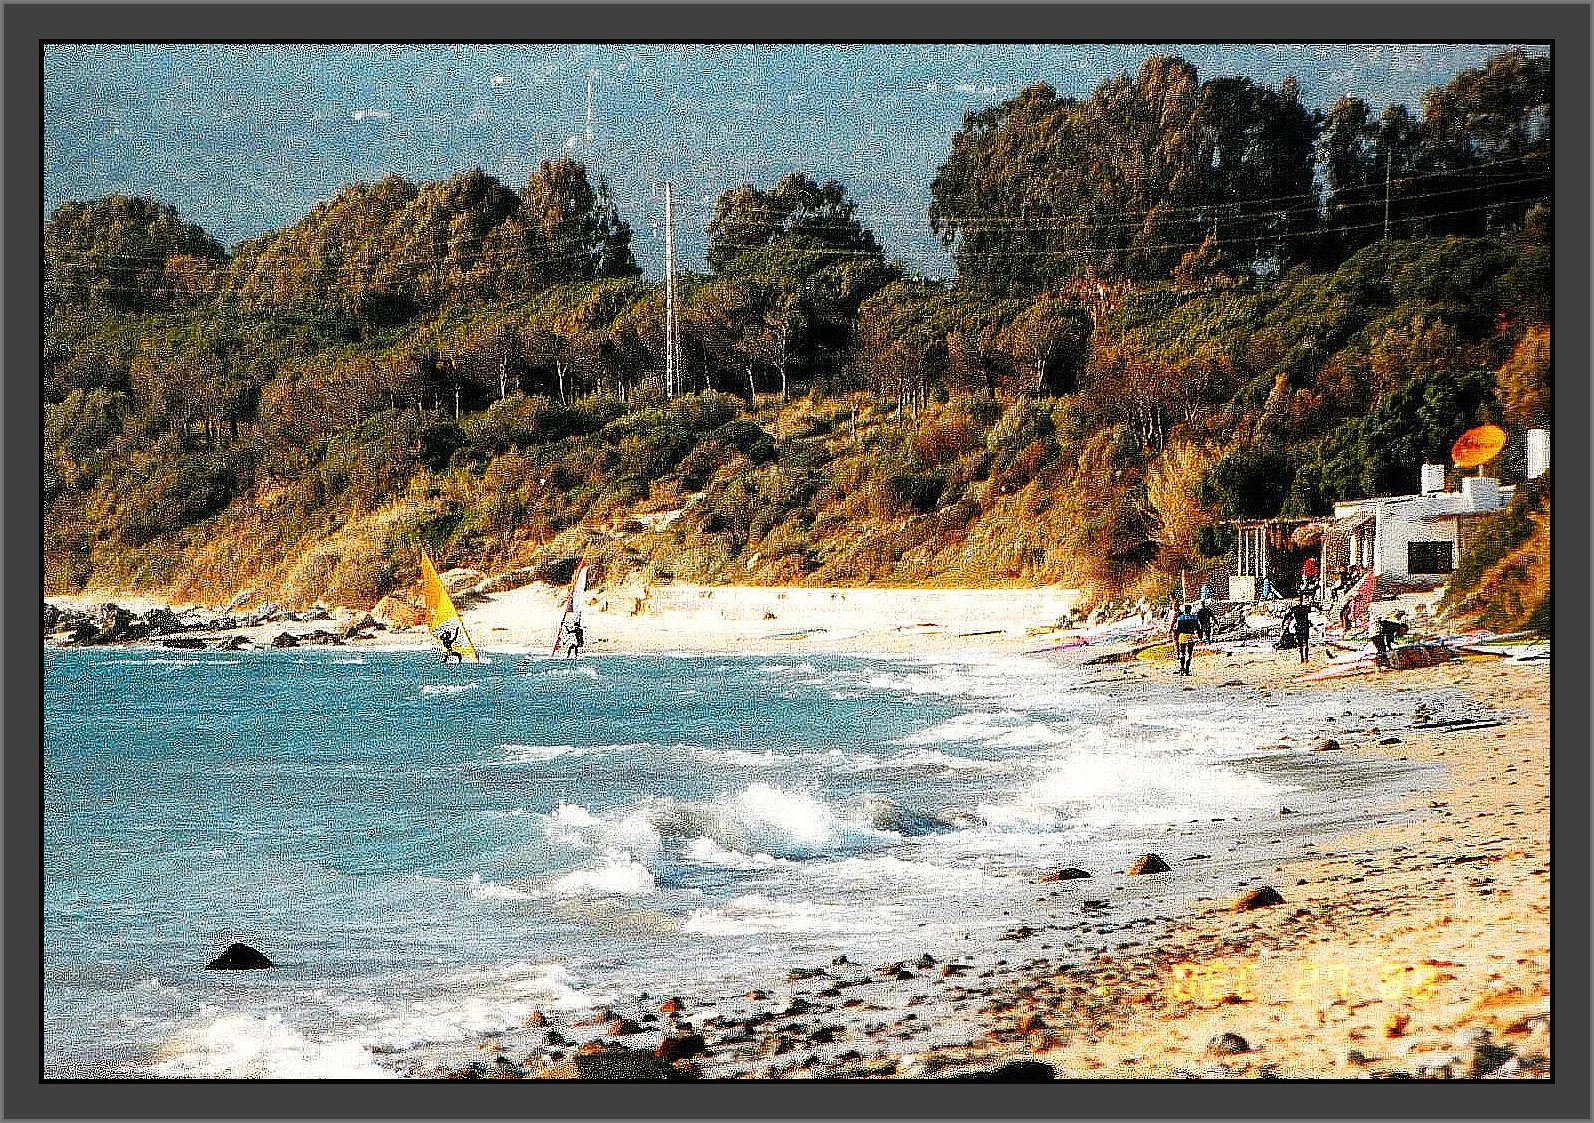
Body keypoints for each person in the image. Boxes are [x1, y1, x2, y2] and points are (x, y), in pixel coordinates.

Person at [1171, 603, 1202, 676]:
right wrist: (1200, 636)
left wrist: (1175, 635)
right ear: (1190, 610)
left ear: (1184, 610)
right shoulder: (1195, 618)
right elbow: (1198, 628)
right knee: (1189, 653)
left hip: (1182, 636)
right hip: (1191, 636)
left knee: (1182, 652)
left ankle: (1182, 668)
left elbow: (1177, 629)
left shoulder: (1180, 618)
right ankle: (1187, 670)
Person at [1286, 598, 1314, 663]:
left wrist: (1288, 623)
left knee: (1300, 644)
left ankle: (1302, 658)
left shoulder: (1294, 608)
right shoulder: (1306, 608)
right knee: (1306, 643)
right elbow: (1310, 614)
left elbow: (1288, 617)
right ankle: (1306, 658)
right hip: (1305, 626)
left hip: (1299, 627)